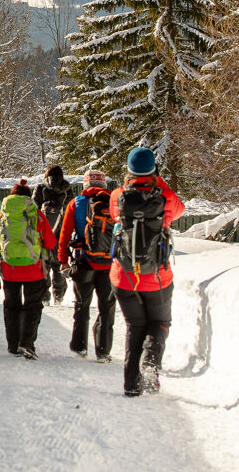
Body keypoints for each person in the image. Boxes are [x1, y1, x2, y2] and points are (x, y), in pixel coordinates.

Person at [109, 147, 185, 397]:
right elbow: (180, 209)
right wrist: (157, 181)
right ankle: (150, 364)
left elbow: (114, 216)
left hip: (124, 276)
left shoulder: (119, 195)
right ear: (153, 169)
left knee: (134, 326)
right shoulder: (164, 196)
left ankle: (131, 385)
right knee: (160, 322)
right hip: (157, 278)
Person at [0, 178, 57, 359]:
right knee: (33, 306)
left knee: (11, 305)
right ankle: (27, 343)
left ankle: (12, 344)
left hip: (9, 268)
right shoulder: (36, 214)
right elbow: (51, 242)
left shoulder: (2, 215)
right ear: (29, 197)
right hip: (33, 268)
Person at [58, 170, 116, 362]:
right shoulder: (114, 204)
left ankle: (80, 346)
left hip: (83, 262)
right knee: (106, 307)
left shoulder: (76, 203)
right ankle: (103, 351)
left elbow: (64, 234)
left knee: (82, 305)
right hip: (108, 264)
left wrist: (63, 261)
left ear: (85, 185)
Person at [32, 165, 73, 304]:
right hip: (61, 233)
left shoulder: (40, 188)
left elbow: (33, 208)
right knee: (58, 264)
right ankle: (59, 296)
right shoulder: (67, 190)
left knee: (44, 265)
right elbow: (70, 211)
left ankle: (44, 297)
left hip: (43, 234)